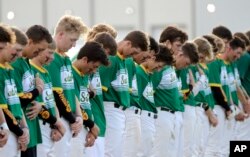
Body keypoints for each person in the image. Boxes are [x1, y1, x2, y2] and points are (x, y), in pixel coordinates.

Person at [44, 15, 92, 157]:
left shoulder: (66, 59)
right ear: (60, 35)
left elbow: (71, 93)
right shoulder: (52, 59)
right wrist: (72, 119)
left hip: (69, 118)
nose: (74, 45)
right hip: (60, 118)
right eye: (72, 40)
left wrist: (79, 116)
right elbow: (56, 94)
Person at [99, 30, 148, 157]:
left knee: (119, 151)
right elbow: (100, 91)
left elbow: (127, 93)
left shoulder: (129, 62)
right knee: (110, 152)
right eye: (134, 52)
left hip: (123, 112)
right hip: (110, 109)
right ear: (128, 43)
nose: (133, 56)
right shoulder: (111, 59)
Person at [11, 25, 53, 157]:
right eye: (39, 49)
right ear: (30, 42)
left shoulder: (26, 62)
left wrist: (39, 104)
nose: (40, 53)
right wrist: (38, 90)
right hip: (19, 128)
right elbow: (15, 101)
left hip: (31, 129)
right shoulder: (15, 63)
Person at [204, 36, 245, 157]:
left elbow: (230, 89)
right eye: (237, 53)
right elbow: (216, 89)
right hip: (217, 107)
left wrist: (233, 108)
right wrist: (228, 108)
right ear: (229, 48)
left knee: (225, 147)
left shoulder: (229, 65)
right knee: (213, 146)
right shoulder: (215, 63)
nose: (237, 57)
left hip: (226, 108)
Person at [72, 41, 109, 157]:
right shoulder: (70, 74)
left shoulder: (84, 75)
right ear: (84, 59)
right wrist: (92, 125)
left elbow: (86, 104)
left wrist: (91, 129)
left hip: (85, 127)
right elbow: (74, 104)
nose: (93, 71)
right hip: (74, 127)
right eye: (94, 67)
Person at [30, 40, 66, 157]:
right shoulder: (31, 70)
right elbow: (35, 104)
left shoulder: (45, 72)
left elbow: (51, 101)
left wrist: (57, 122)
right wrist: (56, 122)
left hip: (50, 125)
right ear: (39, 50)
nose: (52, 57)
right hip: (40, 125)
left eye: (53, 53)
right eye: (49, 53)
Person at [87, 32, 117, 157]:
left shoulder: (97, 67)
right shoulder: (84, 63)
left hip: (99, 123)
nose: (107, 57)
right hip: (89, 124)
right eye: (107, 53)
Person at [0, 24, 29, 157]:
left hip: (14, 130)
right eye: (16, 50)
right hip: (7, 129)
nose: (18, 55)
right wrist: (19, 131)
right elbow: (3, 107)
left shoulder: (9, 69)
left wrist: (25, 128)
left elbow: (16, 104)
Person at [192, 37, 218, 156]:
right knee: (196, 148)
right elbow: (197, 95)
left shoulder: (203, 68)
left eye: (203, 58)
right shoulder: (192, 68)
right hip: (199, 110)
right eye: (200, 57)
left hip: (206, 111)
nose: (201, 60)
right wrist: (209, 112)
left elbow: (207, 93)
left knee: (203, 148)